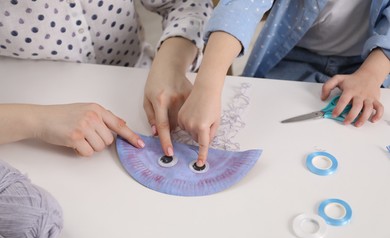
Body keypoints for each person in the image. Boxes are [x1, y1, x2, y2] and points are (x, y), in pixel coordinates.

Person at [177, 0, 390, 167]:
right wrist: (206, 86)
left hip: (373, 61)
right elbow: (241, 6)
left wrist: (371, 75)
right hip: (291, 55)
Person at [0, 0, 213, 156]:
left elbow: (186, 4)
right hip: (34, 137)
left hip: (142, 92)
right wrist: (37, 121)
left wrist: (170, 65)